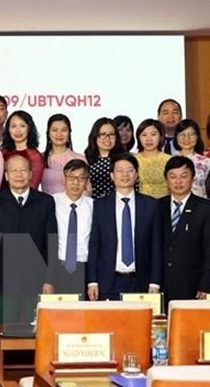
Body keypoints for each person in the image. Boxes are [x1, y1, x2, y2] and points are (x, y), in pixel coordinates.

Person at [0, 154, 57, 322]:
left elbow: (51, 243)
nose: (19, 175)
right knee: (5, 333)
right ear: (6, 175)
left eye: (23, 170)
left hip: (36, 282)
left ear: (31, 174)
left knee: (36, 334)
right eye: (14, 170)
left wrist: (50, 279)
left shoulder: (45, 201)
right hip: (4, 281)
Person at [87, 153, 162, 301]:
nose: (125, 175)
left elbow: (156, 247)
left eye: (129, 170)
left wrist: (155, 282)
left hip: (142, 281)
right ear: (112, 176)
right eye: (120, 171)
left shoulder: (151, 205)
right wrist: (92, 281)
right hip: (109, 281)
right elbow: (94, 246)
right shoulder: (100, 206)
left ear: (136, 174)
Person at [160, 156, 210, 304]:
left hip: (193, 285)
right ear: (166, 179)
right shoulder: (157, 207)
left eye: (184, 176)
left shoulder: (205, 209)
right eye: (173, 176)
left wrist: (206, 283)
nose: (178, 181)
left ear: (193, 178)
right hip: (162, 285)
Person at [52, 159, 93, 293]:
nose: (76, 183)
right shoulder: (51, 202)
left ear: (87, 182)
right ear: (63, 180)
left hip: (84, 267)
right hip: (57, 266)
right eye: (71, 177)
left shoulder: (94, 206)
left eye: (81, 178)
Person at [40, 114, 86, 194]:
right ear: (48, 133)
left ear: (69, 133)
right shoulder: (40, 158)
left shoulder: (79, 158)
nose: (59, 134)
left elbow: (86, 189)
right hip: (46, 205)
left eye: (64, 130)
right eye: (55, 130)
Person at [84, 117, 126, 199]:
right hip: (93, 205)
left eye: (111, 134)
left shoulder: (124, 159)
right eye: (103, 134)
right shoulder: (86, 159)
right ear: (95, 136)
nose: (107, 138)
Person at [1, 110, 44, 190]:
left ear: (29, 128)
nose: (18, 130)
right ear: (8, 129)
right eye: (13, 126)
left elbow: (32, 188)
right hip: (1, 200)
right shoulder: (2, 154)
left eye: (22, 126)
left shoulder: (35, 156)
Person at [173, 119, 210, 198]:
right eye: (182, 135)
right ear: (176, 137)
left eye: (191, 134)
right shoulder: (170, 161)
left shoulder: (206, 162)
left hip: (202, 206)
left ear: (197, 137)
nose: (187, 138)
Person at [134, 119, 170, 199]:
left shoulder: (168, 160)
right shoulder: (133, 160)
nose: (148, 139)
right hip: (141, 205)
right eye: (144, 135)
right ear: (138, 137)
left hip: (163, 204)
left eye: (153, 134)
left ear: (160, 136)